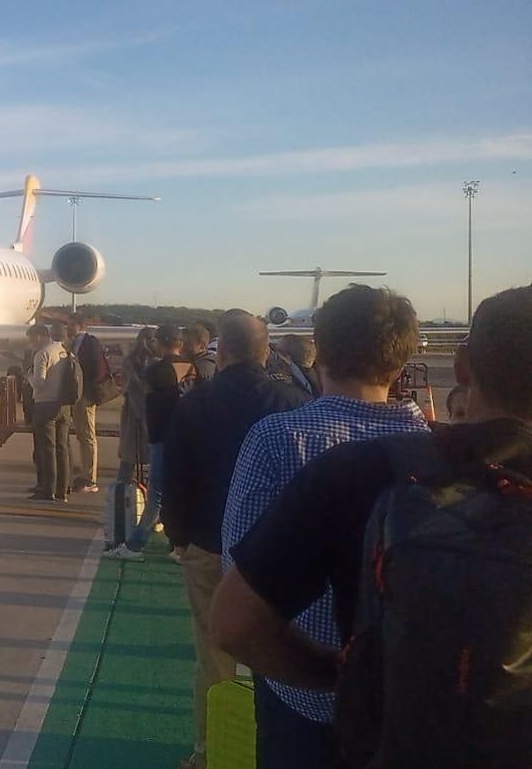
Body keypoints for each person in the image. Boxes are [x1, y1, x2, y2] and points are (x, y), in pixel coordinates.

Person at [213, 285, 532, 768]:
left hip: (328, 711)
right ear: (402, 360)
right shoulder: (423, 437)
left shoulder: (329, 458)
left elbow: (235, 618)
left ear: (465, 365)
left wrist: (345, 674)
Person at [217, 285, 427, 769]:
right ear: (400, 363)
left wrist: (330, 672)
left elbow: (239, 572)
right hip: (406, 702)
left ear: (321, 352)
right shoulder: (435, 448)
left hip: (304, 699)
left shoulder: (276, 439)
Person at [144, 309, 312, 769]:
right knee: (276, 656)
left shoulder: (196, 402)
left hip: (209, 546)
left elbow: (176, 477)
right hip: (274, 556)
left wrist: (179, 538)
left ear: (225, 349)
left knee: (213, 656)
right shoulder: (293, 401)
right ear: (266, 351)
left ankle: (209, 749)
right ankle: (273, 747)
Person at [114, 324, 192, 554]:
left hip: (161, 436)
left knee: (155, 494)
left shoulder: (155, 370)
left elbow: (145, 405)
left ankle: (136, 544)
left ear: (163, 341)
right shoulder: (192, 367)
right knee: (178, 492)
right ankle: (177, 546)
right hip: (186, 437)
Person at [66, 312, 112, 494]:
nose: (67, 328)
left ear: (79, 326)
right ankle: (83, 473)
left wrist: (87, 394)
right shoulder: (72, 343)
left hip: (86, 396)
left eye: (70, 325)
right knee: (81, 436)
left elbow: (97, 370)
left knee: (87, 437)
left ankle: (90, 478)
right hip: (75, 396)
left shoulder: (90, 343)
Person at [26, 323, 71, 502]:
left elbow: (39, 383)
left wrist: (28, 375)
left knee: (47, 449)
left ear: (40, 336)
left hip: (45, 404)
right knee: (62, 448)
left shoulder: (43, 353)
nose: (31, 343)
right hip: (64, 405)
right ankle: (63, 489)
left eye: (32, 339)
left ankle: (47, 489)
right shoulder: (63, 350)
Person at [116, 326, 157, 484]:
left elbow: (125, 388)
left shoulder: (130, 361)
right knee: (151, 459)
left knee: (128, 458)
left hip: (132, 412)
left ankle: (121, 493)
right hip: (148, 412)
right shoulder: (157, 362)